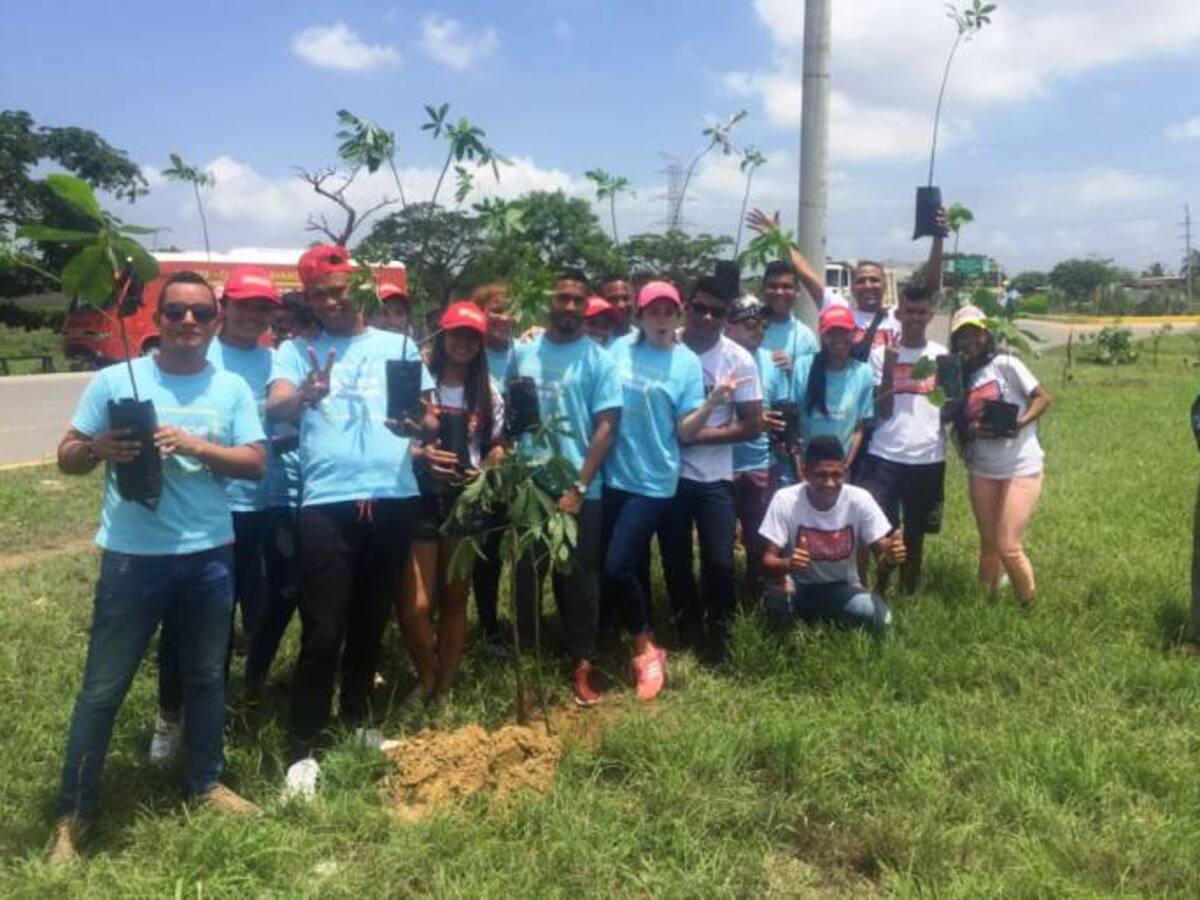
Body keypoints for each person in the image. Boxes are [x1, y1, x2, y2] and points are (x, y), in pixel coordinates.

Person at [48, 271, 267, 864]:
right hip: (133, 558)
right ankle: (73, 813)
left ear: (215, 321)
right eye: (175, 312)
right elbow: (67, 456)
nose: (188, 322)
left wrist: (196, 446)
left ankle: (205, 781)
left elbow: (254, 463)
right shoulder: (115, 380)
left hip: (209, 555)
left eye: (200, 313)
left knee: (206, 677)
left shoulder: (230, 388)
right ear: (158, 319)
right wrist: (95, 449)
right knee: (103, 688)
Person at [266, 245, 435, 797]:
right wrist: (306, 395)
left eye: (339, 291)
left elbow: (430, 419)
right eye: (320, 295)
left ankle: (359, 719)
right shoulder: (296, 350)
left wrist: (419, 425)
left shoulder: (399, 345)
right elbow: (276, 406)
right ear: (309, 299)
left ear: (360, 289)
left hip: (392, 496)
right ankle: (302, 750)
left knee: (370, 619)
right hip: (326, 503)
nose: (332, 302)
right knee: (324, 629)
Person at [152, 266, 282, 764]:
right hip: (207, 510)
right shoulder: (204, 354)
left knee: (257, 610)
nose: (255, 315)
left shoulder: (275, 360)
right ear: (224, 310)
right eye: (245, 305)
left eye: (264, 307)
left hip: (261, 504)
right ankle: (171, 714)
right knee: (188, 621)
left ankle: (234, 701)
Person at [602, 281, 728, 701]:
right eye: (653, 311)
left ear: (678, 315)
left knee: (616, 565)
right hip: (612, 475)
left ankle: (646, 650)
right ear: (639, 315)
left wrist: (712, 403)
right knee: (631, 566)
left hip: (654, 481)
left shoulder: (686, 362)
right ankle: (639, 634)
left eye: (668, 311)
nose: (661, 318)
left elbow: (685, 432)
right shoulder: (619, 349)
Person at [511, 269, 621, 706]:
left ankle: (581, 661)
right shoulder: (524, 353)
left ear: (587, 304)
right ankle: (527, 656)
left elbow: (606, 426)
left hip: (579, 487)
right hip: (529, 484)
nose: (570, 306)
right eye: (562, 298)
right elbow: (515, 414)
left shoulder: (599, 360)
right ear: (550, 301)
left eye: (578, 299)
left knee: (579, 578)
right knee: (526, 573)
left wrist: (578, 486)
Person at [399, 301, 504, 706]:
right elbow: (394, 439)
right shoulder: (420, 385)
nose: (463, 343)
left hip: (466, 499)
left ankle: (443, 688)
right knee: (416, 604)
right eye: (457, 334)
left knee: (456, 600)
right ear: (442, 336)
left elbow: (497, 444)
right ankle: (426, 674)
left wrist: (489, 468)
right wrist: (421, 455)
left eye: (472, 336)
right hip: (421, 495)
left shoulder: (487, 390)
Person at [660, 272, 763, 657]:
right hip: (667, 475)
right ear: (686, 307)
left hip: (715, 478)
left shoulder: (738, 359)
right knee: (675, 559)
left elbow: (752, 424)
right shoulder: (664, 346)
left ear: (726, 316)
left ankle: (721, 637)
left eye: (716, 312)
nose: (706, 318)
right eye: (699, 308)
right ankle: (687, 631)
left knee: (719, 561)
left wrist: (698, 437)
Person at [950, 305, 1051, 606]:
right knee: (989, 545)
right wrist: (971, 428)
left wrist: (1020, 422)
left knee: (1008, 546)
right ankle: (987, 604)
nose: (970, 340)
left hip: (1021, 466)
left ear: (987, 334)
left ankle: (1029, 606)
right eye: (963, 335)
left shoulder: (1007, 364)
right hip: (982, 469)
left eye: (976, 332)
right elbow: (957, 420)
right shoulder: (959, 377)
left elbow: (1043, 398)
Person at [745, 207, 947, 352]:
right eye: (861, 281)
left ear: (885, 285)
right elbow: (806, 273)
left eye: (874, 280)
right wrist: (777, 237)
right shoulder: (840, 310)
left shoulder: (899, 315)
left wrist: (938, 237)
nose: (868, 285)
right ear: (852, 287)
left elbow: (929, 288)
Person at [759, 436, 905, 633]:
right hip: (797, 586)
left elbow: (882, 549)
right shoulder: (785, 499)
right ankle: (794, 631)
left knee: (882, 620)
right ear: (805, 472)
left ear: (845, 472)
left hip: (842, 587)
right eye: (821, 475)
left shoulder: (859, 499)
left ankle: (826, 620)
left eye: (837, 475)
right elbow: (767, 560)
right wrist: (788, 564)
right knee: (776, 597)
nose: (830, 483)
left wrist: (890, 554)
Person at [859, 283, 950, 594]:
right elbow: (882, 411)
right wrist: (890, 366)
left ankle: (908, 590)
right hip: (884, 455)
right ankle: (882, 583)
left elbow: (948, 409)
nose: (914, 318)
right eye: (909, 311)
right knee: (883, 529)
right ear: (898, 314)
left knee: (915, 532)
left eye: (921, 312)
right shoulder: (878, 355)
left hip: (928, 457)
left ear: (930, 315)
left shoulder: (941, 356)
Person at [726, 294, 789, 600]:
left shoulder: (772, 362)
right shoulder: (717, 358)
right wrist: (751, 421)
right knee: (719, 543)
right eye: (751, 324)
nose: (759, 330)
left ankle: (755, 600)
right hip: (721, 465)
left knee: (759, 540)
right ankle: (721, 601)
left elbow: (782, 410)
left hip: (762, 464)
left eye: (763, 325)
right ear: (730, 326)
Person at [470, 282, 515, 647]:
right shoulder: (469, 353)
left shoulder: (525, 352)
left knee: (502, 550)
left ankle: (501, 626)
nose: (502, 318)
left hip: (514, 466)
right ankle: (481, 624)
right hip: (475, 468)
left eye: (507, 310)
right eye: (494, 310)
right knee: (479, 549)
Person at [796, 306, 875, 470]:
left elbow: (859, 427)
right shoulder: (803, 366)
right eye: (832, 333)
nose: (838, 339)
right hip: (807, 465)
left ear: (854, 333)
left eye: (844, 332)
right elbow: (794, 419)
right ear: (822, 335)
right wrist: (799, 464)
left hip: (840, 467)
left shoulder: (864, 372)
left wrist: (846, 466)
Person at [761, 260, 819, 371]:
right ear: (763, 289)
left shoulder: (806, 337)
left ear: (797, 291)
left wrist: (794, 369)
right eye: (773, 286)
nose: (779, 292)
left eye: (786, 286)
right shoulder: (746, 328)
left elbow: (813, 376)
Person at [598, 273, 635, 338]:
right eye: (613, 299)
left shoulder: (648, 338)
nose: (621, 306)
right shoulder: (591, 342)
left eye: (626, 298)